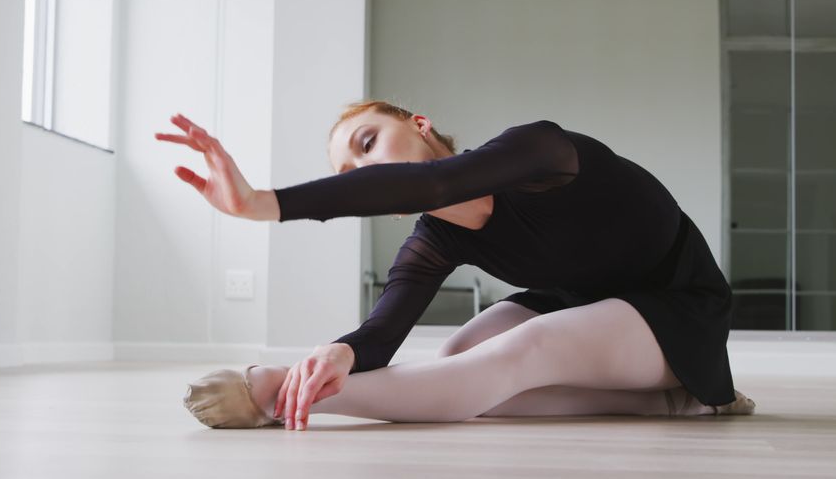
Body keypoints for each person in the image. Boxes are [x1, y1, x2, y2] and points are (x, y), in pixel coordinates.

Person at [157, 101, 756, 431]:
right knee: (456, 365)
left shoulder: (539, 150)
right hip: (580, 300)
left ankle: (278, 396)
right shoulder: (434, 240)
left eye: (367, 145)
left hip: (676, 304)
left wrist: (264, 204)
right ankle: (671, 403)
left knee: (524, 351)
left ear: (420, 123)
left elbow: (436, 178)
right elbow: (380, 337)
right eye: (350, 176)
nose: (363, 175)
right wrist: (341, 352)